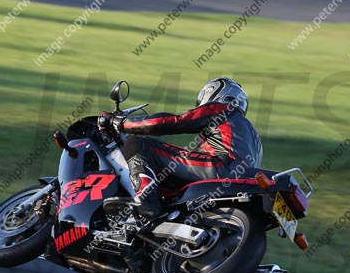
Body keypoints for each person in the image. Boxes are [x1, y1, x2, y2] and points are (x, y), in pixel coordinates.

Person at [99, 78, 263, 221]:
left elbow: (173, 121)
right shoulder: (253, 135)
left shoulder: (222, 109)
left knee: (139, 144)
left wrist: (122, 123)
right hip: (238, 181)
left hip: (221, 168)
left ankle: (146, 197)